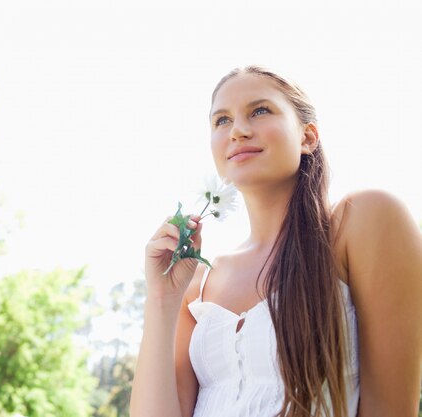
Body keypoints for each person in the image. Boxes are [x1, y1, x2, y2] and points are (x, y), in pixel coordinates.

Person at [129, 66, 422, 417]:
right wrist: (162, 299)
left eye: (260, 111)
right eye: (221, 120)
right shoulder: (199, 282)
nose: (237, 130)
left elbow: (392, 409)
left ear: (307, 137)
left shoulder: (365, 220)